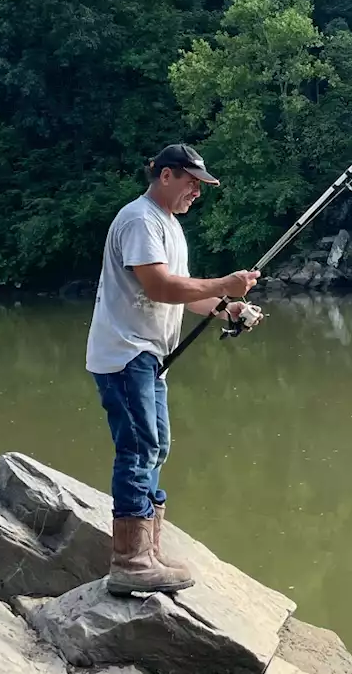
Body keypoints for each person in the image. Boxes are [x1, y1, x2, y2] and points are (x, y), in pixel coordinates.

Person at [86, 143, 262, 595]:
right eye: (191, 183)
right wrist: (224, 282)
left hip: (148, 358)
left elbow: (184, 294)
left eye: (200, 186)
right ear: (166, 176)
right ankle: (129, 561)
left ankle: (149, 549)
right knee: (139, 447)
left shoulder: (168, 227)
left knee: (157, 445)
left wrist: (228, 307)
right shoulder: (140, 220)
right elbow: (161, 287)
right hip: (126, 353)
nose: (196, 193)